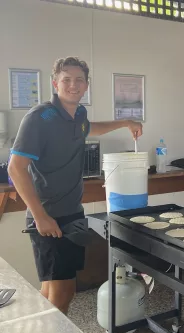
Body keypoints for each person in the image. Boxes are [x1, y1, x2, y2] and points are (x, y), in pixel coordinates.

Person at [8, 57, 143, 314]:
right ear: (55, 83)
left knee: (50, 289)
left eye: (79, 80)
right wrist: (41, 217)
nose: (73, 85)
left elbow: (91, 129)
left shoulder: (79, 115)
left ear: (86, 85)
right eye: (66, 79)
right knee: (64, 292)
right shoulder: (40, 117)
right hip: (49, 216)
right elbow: (16, 168)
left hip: (72, 214)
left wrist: (125, 122)